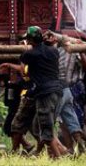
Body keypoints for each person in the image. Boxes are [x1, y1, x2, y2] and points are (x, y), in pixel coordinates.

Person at [20, 27, 64, 158]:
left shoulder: (30, 54)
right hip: (57, 91)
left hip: (44, 93)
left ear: (30, 40)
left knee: (45, 125)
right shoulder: (54, 51)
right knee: (37, 125)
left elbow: (23, 66)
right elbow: (44, 50)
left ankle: (58, 158)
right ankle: (38, 152)